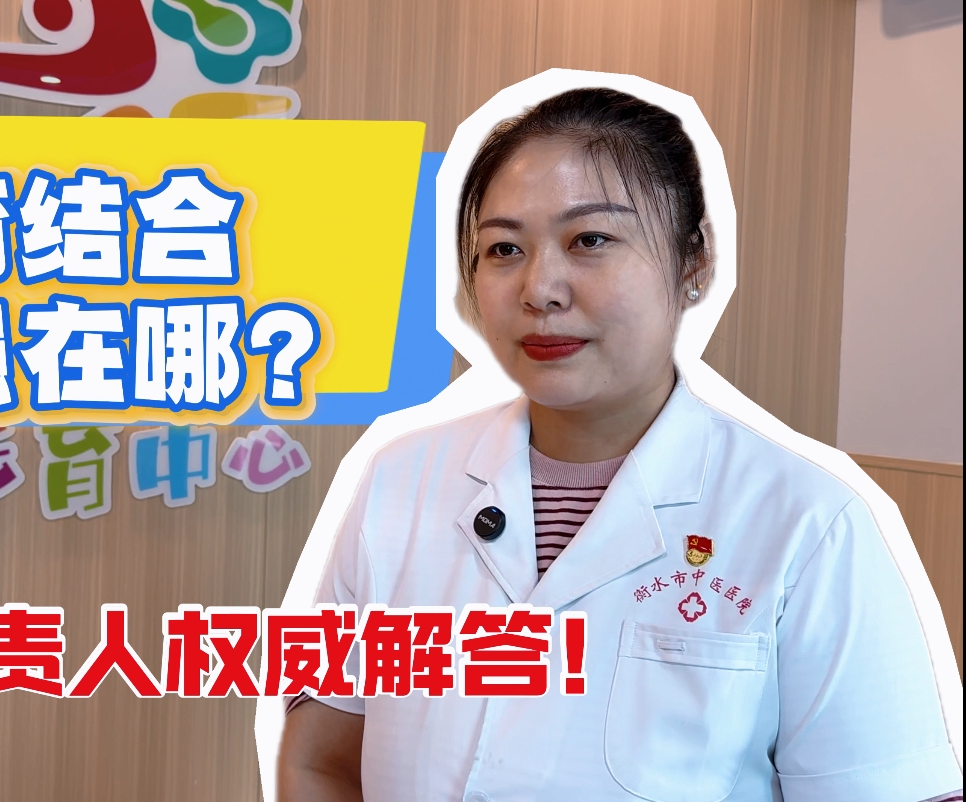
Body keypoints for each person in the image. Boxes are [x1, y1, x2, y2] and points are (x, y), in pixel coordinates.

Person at [276, 86, 963, 801]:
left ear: (693, 261)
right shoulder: (398, 479)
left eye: (590, 240)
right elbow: (320, 763)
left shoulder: (810, 522)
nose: (540, 289)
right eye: (504, 248)